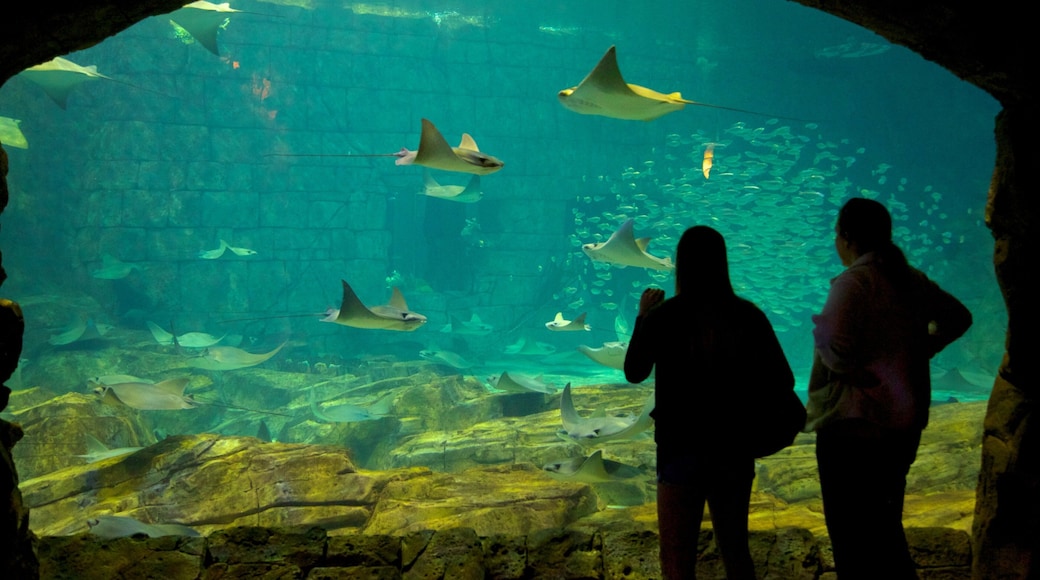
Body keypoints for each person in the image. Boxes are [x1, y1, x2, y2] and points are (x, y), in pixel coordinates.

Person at [806, 197, 972, 579]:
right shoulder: (910, 279)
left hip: (851, 427)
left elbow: (832, 343)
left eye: (836, 234)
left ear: (846, 238)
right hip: (901, 426)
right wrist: (925, 348)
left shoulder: (855, 282)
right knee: (884, 529)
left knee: (851, 536)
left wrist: (854, 372)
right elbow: (958, 317)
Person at [625, 225, 793, 580]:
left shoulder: (664, 315)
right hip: (733, 448)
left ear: (682, 265)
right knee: (735, 551)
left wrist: (643, 316)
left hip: (679, 449)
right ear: (722, 263)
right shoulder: (748, 315)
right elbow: (784, 380)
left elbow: (635, 371)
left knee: (676, 557)